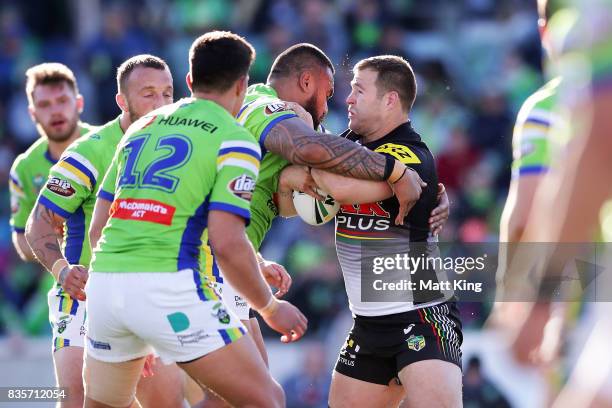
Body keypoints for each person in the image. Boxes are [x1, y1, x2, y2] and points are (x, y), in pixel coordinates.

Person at [83, 30, 306, 408]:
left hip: (104, 286)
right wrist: (271, 308)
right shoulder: (235, 139)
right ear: (242, 85)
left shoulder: (140, 128)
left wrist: (140, 325)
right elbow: (226, 241)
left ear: (188, 81)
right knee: (266, 399)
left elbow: (98, 228)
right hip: (168, 288)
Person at [25, 55, 183, 407]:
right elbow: (40, 221)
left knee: (167, 402)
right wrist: (62, 270)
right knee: (77, 397)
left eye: (167, 93)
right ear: (122, 101)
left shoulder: (179, 149)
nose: (160, 104)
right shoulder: (92, 150)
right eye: (148, 94)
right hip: (87, 297)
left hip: (150, 295)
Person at [304, 55, 462, 407]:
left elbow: (339, 189)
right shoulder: (352, 142)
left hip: (421, 314)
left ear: (390, 100)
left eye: (359, 91)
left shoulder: (410, 153)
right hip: (367, 323)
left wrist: (310, 155)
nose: (347, 99)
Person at [10, 63, 95, 262]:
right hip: (66, 285)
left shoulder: (111, 146)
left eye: (62, 100)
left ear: (79, 104)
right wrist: (57, 246)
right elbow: (22, 238)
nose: (55, 111)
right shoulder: (24, 168)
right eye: (45, 105)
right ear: (33, 114)